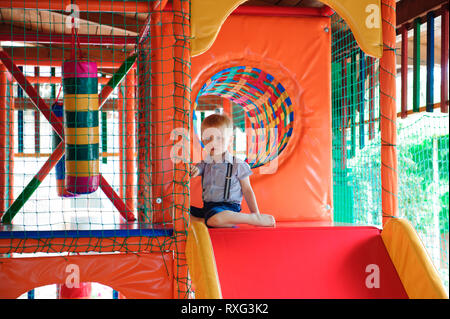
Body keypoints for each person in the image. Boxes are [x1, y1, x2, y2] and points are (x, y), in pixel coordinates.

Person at [190, 112, 276, 228]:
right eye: (208, 138)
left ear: (230, 140)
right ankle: (206, 221)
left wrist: (256, 214)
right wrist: (194, 170)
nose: (213, 142)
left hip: (228, 207)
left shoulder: (238, 165)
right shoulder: (205, 163)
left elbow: (247, 190)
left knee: (215, 218)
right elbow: (198, 169)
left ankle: (247, 219)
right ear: (203, 140)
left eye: (219, 138)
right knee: (178, 211)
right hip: (208, 208)